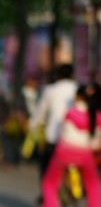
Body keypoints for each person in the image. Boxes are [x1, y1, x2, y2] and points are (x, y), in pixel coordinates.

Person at [35, 84, 101, 207]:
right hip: (86, 156)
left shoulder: (71, 113)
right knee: (93, 184)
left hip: (64, 154)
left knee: (50, 183)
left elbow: (62, 134)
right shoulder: (96, 116)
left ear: (78, 97)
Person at [30, 63, 77, 192]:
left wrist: (33, 125)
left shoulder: (50, 90)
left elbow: (40, 113)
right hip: (77, 139)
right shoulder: (78, 89)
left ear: (57, 75)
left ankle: (45, 194)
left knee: (46, 168)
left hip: (54, 137)